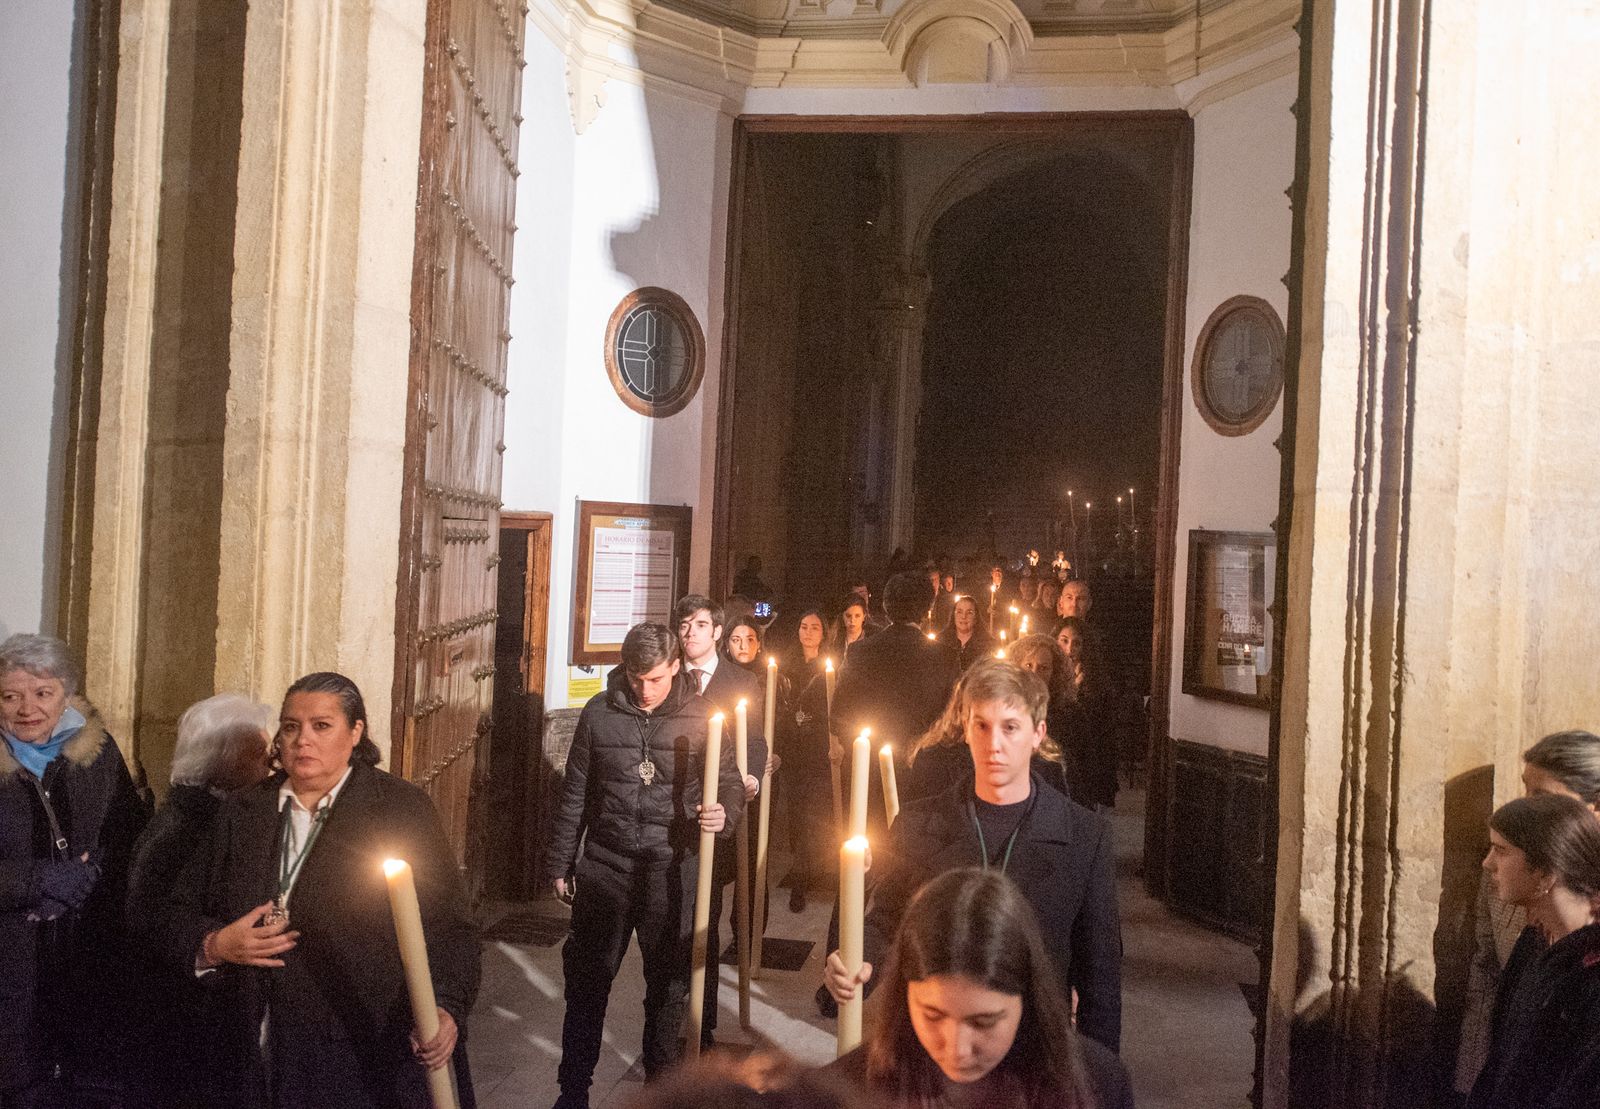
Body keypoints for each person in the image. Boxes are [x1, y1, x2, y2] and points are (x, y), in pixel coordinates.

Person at [161, 672, 478, 1109]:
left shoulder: (398, 809)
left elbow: (450, 927)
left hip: (359, 1046)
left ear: (356, 732)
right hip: (256, 1047)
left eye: (321, 726)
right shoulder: (243, 810)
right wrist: (215, 944)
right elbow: (174, 911)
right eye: (290, 727)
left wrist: (445, 1007)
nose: (301, 741)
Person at [825, 661, 1122, 1053]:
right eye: (981, 725)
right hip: (937, 1043)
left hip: (1033, 1047)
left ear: (1038, 734)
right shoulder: (918, 823)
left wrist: (1094, 1075)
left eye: (1010, 727)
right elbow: (886, 919)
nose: (993, 743)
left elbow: (1099, 975)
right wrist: (857, 960)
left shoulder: (1084, 836)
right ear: (964, 730)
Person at [545, 624, 743, 1107]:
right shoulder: (600, 712)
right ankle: (573, 1093)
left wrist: (725, 812)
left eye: (655, 678)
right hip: (607, 865)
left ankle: (660, 1094)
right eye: (636, 678)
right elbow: (575, 793)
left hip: (671, 867)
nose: (645, 689)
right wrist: (560, 860)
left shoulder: (703, 716)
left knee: (669, 989)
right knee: (587, 984)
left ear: (676, 666)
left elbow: (730, 782)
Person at [827, 869, 1132, 1108]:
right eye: (933, 1015)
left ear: (1027, 999)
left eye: (983, 1022)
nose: (957, 1049)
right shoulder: (848, 1088)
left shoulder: (1098, 1084)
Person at [0, 633, 150, 1107]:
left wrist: (93, 875)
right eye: (10, 696)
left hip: (85, 954)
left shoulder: (98, 753)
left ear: (66, 693)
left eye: (42, 693)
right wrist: (36, 880)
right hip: (9, 960)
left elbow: (130, 835)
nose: (27, 708)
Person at [123, 693, 275, 1108]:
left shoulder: (224, 815)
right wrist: (212, 943)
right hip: (190, 1024)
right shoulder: (184, 829)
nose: (272, 762)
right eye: (259, 751)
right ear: (223, 758)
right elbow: (144, 916)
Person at [1456, 729, 1600, 1095]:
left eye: (1542, 796)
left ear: (1595, 806)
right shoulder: (1515, 863)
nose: (1528, 807)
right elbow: (1488, 975)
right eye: (1525, 790)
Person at [676, 595, 767, 1048]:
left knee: (704, 918)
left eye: (698, 624)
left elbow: (754, 740)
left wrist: (748, 777)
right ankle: (673, 1011)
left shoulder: (741, 680)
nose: (689, 632)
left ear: (716, 632)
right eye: (683, 624)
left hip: (716, 813)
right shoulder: (669, 677)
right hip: (671, 812)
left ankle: (703, 1021)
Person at [830, 573, 959, 833]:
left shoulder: (860, 652)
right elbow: (953, 718)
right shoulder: (944, 657)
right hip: (925, 770)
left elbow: (839, 714)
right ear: (927, 608)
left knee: (872, 845)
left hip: (870, 768)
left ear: (886, 607)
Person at [780, 610, 832, 912]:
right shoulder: (787, 664)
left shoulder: (829, 666)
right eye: (803, 627)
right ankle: (800, 870)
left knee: (815, 810)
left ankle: (809, 869)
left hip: (817, 747)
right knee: (796, 811)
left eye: (814, 627)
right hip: (792, 746)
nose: (808, 632)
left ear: (824, 633)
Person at [1053, 616, 1120, 809]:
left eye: (1076, 644)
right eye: (1064, 641)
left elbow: (1100, 732)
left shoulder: (1096, 682)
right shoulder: (1046, 674)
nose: (1069, 650)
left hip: (1084, 765)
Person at [937, 594, 995, 674]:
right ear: (953, 615)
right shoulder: (940, 641)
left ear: (976, 617)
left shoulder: (988, 644)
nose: (964, 617)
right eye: (959, 612)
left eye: (969, 612)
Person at [829, 595, 872, 661]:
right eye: (848, 616)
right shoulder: (834, 640)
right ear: (842, 616)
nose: (852, 620)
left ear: (864, 616)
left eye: (857, 616)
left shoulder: (872, 639)